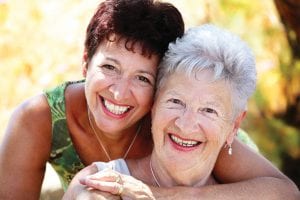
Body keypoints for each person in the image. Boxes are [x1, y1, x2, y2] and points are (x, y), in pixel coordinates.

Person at [0, 0, 297, 199]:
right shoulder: (40, 119)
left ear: (157, 89)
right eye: (109, 67)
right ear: (85, 61)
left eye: (142, 78)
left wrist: (166, 196)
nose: (119, 92)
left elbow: (285, 191)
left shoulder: (196, 131)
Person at [64, 24, 300, 200]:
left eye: (209, 110)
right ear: (154, 106)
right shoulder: (103, 184)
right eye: (176, 101)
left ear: (234, 126)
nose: (186, 125)